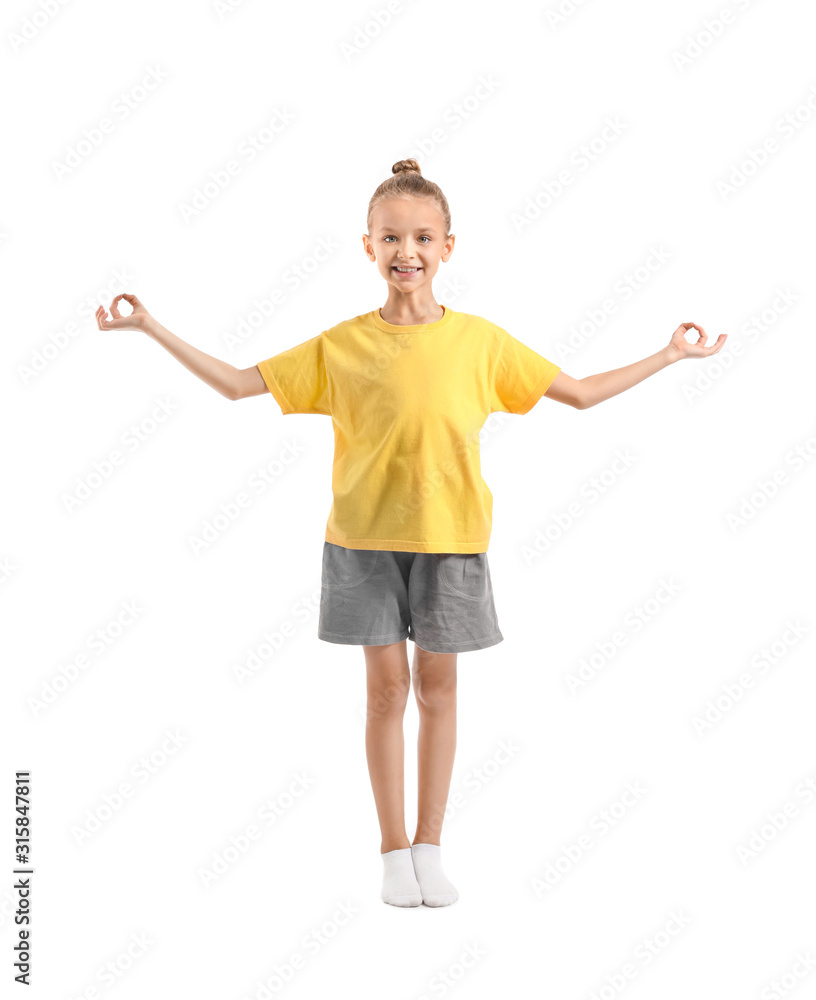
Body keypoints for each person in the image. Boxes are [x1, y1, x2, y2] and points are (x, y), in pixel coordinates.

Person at [95, 157, 726, 909]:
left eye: (423, 237)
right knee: (386, 691)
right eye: (391, 237)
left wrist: (670, 354)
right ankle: (393, 850)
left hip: (452, 541)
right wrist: (149, 327)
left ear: (449, 246)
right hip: (362, 542)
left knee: (438, 687)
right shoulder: (342, 345)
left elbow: (582, 394)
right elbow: (237, 384)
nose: (407, 252)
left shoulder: (482, 343)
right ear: (368, 246)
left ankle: (431, 845)